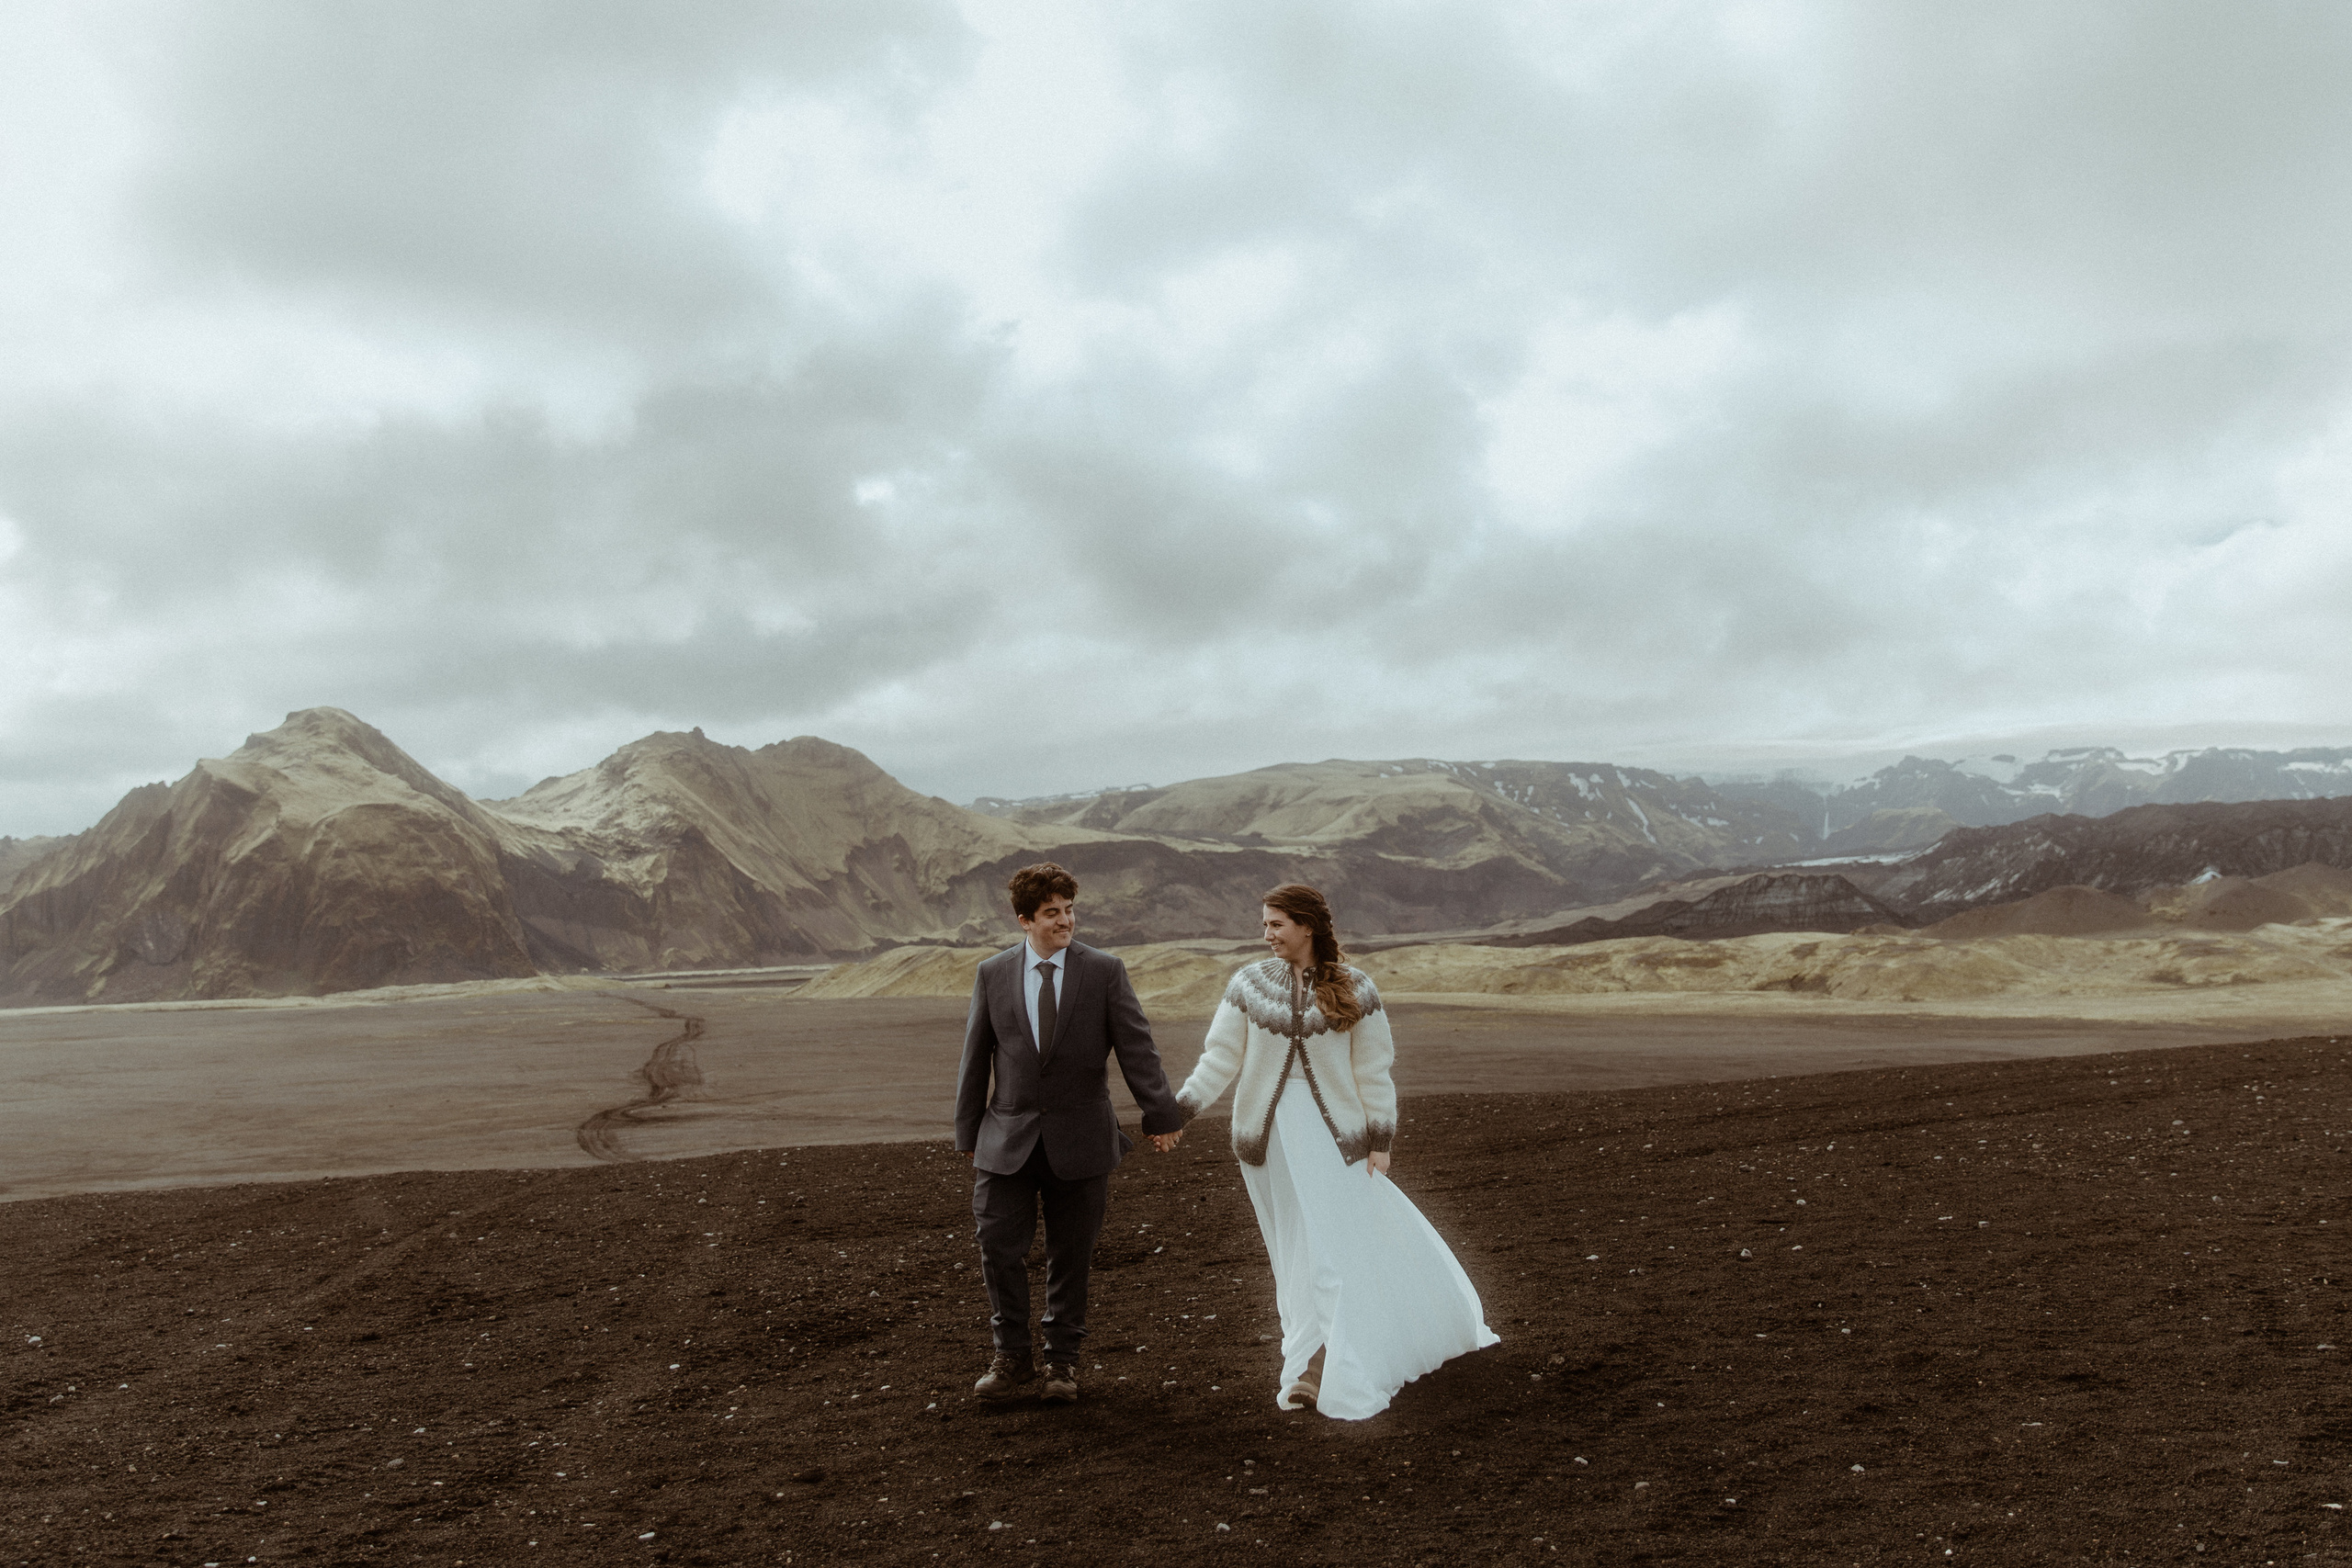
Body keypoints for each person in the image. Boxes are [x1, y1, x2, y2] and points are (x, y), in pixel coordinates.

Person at [1174, 883, 1497, 1418]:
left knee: (1333, 1251)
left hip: (1338, 1142)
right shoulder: (1249, 984)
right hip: (1269, 1140)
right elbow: (1219, 1059)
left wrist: (1380, 1140)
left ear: (1307, 926)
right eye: (1265, 925)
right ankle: (1309, 1350)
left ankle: (1325, 1367)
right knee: (1295, 1250)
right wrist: (1179, 1111)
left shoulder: (1356, 988)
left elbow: (1373, 1071)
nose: (1267, 934)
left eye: (1277, 924)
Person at [954, 861, 1187, 1405]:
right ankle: (1011, 1361)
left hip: (1082, 1139)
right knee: (997, 1249)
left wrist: (1161, 1114)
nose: (1066, 922)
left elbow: (1137, 1047)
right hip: (1005, 1139)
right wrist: (967, 1131)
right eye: (1052, 913)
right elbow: (975, 1056)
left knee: (1071, 1255)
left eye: (1070, 910)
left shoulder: (1104, 971)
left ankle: (1062, 1364)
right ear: (1024, 920)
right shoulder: (992, 973)